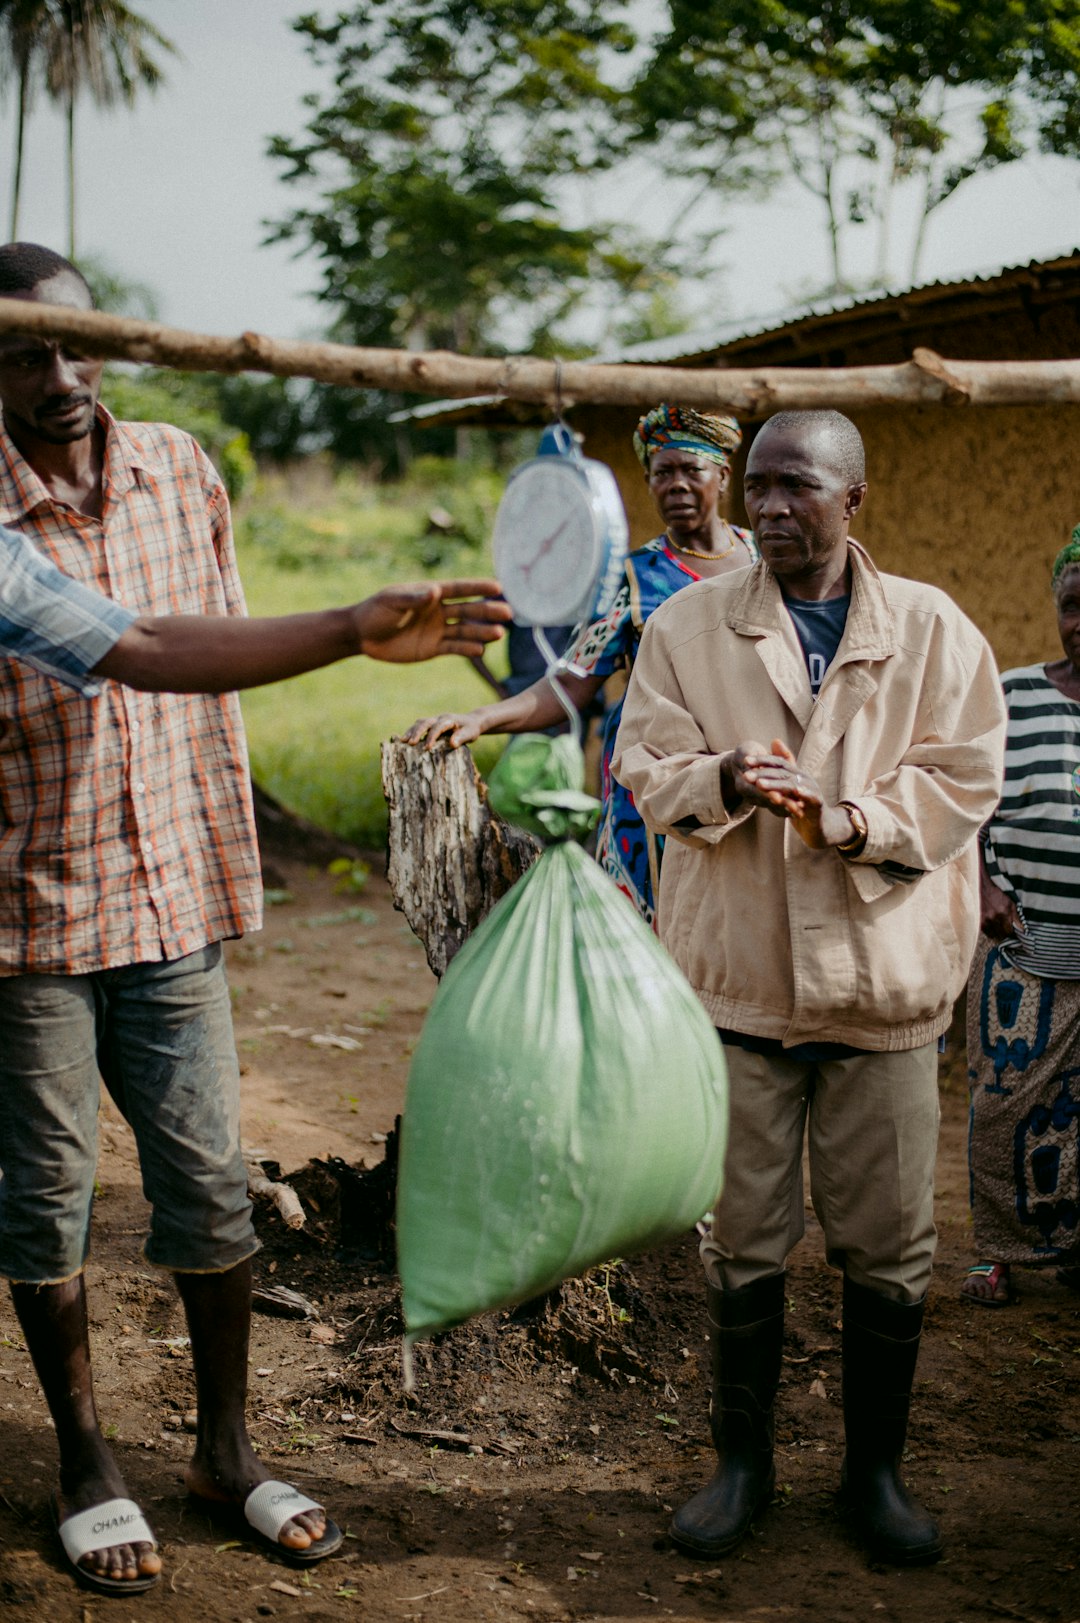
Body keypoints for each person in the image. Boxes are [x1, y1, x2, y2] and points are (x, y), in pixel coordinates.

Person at [0, 240, 509, 1598]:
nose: (57, 377)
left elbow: (206, 651)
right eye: (19, 353)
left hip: (170, 888)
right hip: (24, 910)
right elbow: (147, 649)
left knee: (209, 1182)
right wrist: (352, 622)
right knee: (45, 1204)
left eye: (75, 345)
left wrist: (229, 852)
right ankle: (88, 1461)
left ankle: (227, 1448)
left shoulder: (183, 467)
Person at [612, 409, 1006, 1567]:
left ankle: (874, 1475)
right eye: (760, 488)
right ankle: (741, 1469)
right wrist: (723, 773)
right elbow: (644, 765)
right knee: (741, 1240)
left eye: (798, 488)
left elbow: (966, 774)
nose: (773, 509)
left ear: (854, 499)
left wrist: (854, 818)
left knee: (888, 1247)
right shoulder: (686, 627)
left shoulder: (933, 629)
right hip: (740, 987)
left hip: (883, 994)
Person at [404, 403, 757, 923]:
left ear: (723, 476)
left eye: (691, 470)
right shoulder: (634, 577)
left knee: (741, 922)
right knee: (653, 929)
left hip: (745, 766)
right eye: (663, 473)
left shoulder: (764, 565)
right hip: (652, 780)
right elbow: (572, 683)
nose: (676, 484)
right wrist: (480, 718)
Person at [961, 531, 1080, 1308]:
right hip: (1022, 943)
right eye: (1074, 605)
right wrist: (980, 887)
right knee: (1006, 1101)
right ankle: (996, 1252)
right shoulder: (1011, 695)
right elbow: (963, 801)